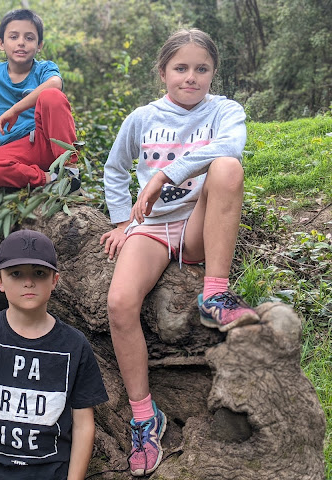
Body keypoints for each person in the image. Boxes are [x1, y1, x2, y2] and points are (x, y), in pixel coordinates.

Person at [100, 29, 260, 476]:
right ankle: (145, 417)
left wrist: (163, 175)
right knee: (119, 303)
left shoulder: (225, 111)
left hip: (198, 225)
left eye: (201, 68)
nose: (191, 77)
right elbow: (114, 169)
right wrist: (122, 222)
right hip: (151, 227)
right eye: (181, 68)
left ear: (213, 73)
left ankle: (215, 292)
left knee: (227, 167)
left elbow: (230, 147)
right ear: (163, 72)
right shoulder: (142, 118)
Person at [0, 229, 108, 479]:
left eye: (39, 273)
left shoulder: (75, 345)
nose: (28, 282)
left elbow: (83, 425)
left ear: (55, 280)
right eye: (16, 273)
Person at [0, 9, 80, 190]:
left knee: (52, 96)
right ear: (1, 43)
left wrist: (15, 109)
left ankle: (70, 170)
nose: (21, 42)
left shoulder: (44, 69)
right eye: (14, 37)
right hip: (19, 148)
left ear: (39, 45)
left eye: (29, 38)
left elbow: (55, 84)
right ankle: (48, 177)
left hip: (48, 140)